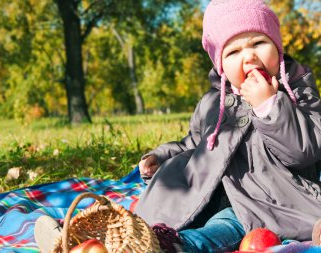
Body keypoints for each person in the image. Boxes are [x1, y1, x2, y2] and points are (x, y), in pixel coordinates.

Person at [135, 0, 321, 252]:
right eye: (233, 52)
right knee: (177, 212)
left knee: (222, 227)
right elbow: (194, 142)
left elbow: (303, 151)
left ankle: (178, 245)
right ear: (220, 64)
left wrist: (270, 106)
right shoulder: (214, 101)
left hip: (268, 202)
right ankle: (147, 236)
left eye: (258, 43)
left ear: (278, 47)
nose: (249, 56)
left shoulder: (297, 92)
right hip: (213, 190)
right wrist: (160, 155)